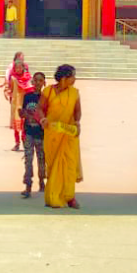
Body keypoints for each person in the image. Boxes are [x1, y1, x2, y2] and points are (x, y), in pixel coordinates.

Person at [39, 64, 82, 209]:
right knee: (53, 166)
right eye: (72, 76)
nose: (75, 79)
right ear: (64, 78)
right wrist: (42, 119)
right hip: (52, 133)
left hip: (68, 134)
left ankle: (70, 197)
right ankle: (53, 196)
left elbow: (77, 111)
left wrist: (77, 122)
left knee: (69, 166)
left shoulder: (74, 93)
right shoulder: (48, 91)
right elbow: (40, 108)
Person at [19, 71, 46, 198]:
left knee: (41, 159)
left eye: (41, 80)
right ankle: (28, 185)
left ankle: (42, 181)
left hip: (41, 134)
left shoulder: (45, 98)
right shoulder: (27, 96)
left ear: (44, 83)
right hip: (29, 132)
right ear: (32, 82)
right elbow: (23, 112)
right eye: (36, 80)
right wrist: (23, 114)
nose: (38, 83)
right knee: (28, 160)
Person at [7, 58, 33, 151]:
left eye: (20, 67)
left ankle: (26, 143)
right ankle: (17, 143)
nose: (18, 70)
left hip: (26, 103)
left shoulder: (28, 78)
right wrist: (7, 93)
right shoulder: (13, 78)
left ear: (23, 68)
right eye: (16, 68)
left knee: (25, 125)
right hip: (16, 103)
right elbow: (10, 88)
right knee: (16, 126)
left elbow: (31, 89)